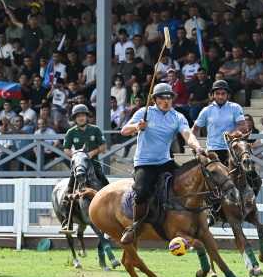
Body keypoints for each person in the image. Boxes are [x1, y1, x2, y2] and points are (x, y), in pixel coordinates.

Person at [120, 83, 205, 245]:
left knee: (187, 184)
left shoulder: (177, 117)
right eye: (162, 98)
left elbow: (188, 135)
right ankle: (135, 226)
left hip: (165, 161)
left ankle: (190, 219)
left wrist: (198, 148)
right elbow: (124, 130)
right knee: (142, 191)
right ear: (155, 100)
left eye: (169, 98)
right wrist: (138, 126)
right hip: (145, 163)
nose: (166, 101)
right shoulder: (144, 112)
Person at [61, 104, 109, 229]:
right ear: (75, 119)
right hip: (79, 168)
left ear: (87, 117)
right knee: (68, 191)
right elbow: (66, 149)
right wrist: (77, 158)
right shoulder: (71, 132)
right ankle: (67, 220)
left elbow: (104, 146)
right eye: (78, 116)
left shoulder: (95, 130)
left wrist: (92, 153)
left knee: (106, 186)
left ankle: (110, 213)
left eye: (83, 115)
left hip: (94, 165)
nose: (81, 118)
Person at [191, 80, 247, 164]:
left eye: (223, 93)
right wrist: (195, 147)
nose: (220, 96)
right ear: (212, 95)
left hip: (232, 149)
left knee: (250, 173)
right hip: (212, 151)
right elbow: (194, 129)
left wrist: (230, 133)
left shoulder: (235, 107)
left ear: (228, 94)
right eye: (217, 93)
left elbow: (243, 127)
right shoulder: (206, 110)